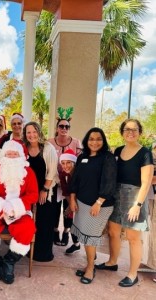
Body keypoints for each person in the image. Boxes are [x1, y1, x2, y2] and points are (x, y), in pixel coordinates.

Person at [96, 119, 154, 287]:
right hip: (116, 194)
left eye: (134, 129)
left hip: (134, 197)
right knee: (113, 232)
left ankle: (132, 273)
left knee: (133, 237)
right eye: (127, 129)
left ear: (140, 132)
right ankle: (112, 262)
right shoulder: (118, 150)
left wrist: (137, 205)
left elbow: (146, 182)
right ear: (122, 132)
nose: (131, 132)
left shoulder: (145, 153)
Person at [0, 140, 38, 284]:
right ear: (3, 155)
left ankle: (9, 261)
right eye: (8, 154)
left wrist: (16, 206)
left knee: (28, 228)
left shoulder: (28, 172)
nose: (11, 157)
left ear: (21, 156)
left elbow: (33, 194)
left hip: (19, 212)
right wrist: (1, 205)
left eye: (15, 154)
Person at [70, 127, 117, 284]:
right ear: (86, 140)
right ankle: (88, 265)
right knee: (85, 235)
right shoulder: (82, 157)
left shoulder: (108, 158)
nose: (95, 142)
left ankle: (90, 268)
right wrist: (72, 198)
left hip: (99, 206)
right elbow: (75, 180)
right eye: (91, 139)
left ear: (103, 141)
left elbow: (110, 183)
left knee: (90, 237)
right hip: (82, 203)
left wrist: (98, 202)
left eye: (98, 139)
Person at [23, 121, 58, 262]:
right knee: (31, 222)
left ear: (39, 132)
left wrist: (44, 189)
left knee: (44, 223)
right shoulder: (24, 148)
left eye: (34, 131)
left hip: (45, 191)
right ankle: (29, 250)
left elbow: (52, 170)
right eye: (28, 132)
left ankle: (43, 254)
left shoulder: (48, 148)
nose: (31, 135)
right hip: (28, 193)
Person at [48, 110, 82, 249]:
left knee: (69, 207)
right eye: (61, 126)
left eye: (66, 127)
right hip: (55, 180)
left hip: (72, 181)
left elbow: (79, 161)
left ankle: (67, 231)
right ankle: (55, 231)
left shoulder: (76, 142)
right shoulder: (50, 142)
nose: (64, 129)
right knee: (55, 208)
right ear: (57, 128)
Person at [58, 149, 80, 254]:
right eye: (63, 163)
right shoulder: (63, 174)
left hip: (82, 200)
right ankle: (76, 244)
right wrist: (69, 206)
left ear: (74, 162)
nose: (65, 166)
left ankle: (91, 252)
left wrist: (73, 205)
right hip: (70, 199)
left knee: (82, 225)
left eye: (68, 163)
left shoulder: (80, 172)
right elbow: (65, 191)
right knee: (70, 220)